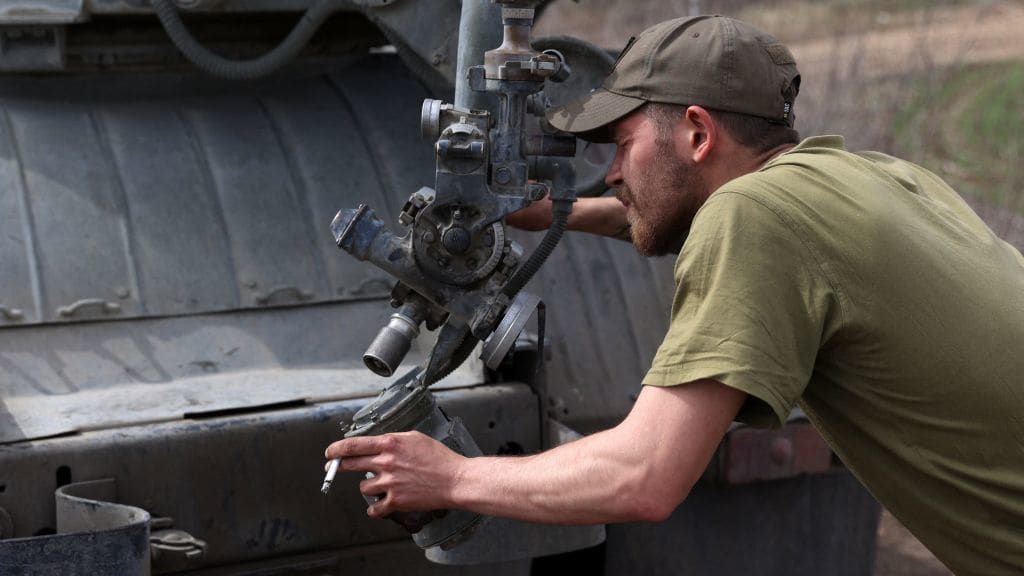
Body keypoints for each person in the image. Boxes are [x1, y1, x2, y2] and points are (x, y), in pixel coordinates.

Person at [326, 15, 1024, 573]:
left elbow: (645, 475)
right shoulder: (878, 179)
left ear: (695, 131)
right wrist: (555, 213)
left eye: (622, 143)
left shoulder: (751, 217)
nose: (611, 172)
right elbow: (717, 225)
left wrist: (450, 478)